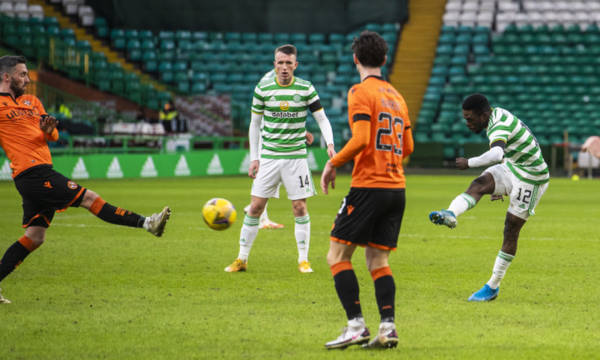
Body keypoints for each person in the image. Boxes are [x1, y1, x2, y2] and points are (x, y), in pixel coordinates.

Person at [0, 55, 171, 304]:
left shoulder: (32, 102)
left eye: (27, 74)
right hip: (32, 174)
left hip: (40, 171)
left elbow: (53, 135)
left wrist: (49, 130)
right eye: (22, 74)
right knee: (89, 198)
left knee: (36, 236)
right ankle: (147, 223)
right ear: (6, 77)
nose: (27, 79)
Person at [321, 31, 413, 349]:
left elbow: (361, 139)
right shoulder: (397, 96)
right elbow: (409, 146)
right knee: (377, 260)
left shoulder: (361, 92)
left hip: (369, 186)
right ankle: (387, 328)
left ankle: (355, 325)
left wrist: (333, 163)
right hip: (396, 187)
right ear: (385, 60)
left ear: (355, 58)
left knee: (337, 255)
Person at [225, 44, 336, 274]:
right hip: (269, 158)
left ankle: (303, 260)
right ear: (274, 64)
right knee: (255, 207)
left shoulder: (306, 88)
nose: (284, 67)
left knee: (299, 207)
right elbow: (254, 124)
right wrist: (254, 158)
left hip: (296, 158)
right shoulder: (263, 89)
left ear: (295, 65)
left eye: (288, 63)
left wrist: (330, 144)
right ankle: (241, 259)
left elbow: (322, 119)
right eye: (280, 63)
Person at [429, 93, 549, 302]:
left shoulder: (498, 125)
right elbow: (504, 156)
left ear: (483, 114)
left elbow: (496, 155)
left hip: (532, 177)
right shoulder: (495, 117)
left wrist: (468, 163)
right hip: (513, 167)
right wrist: (503, 185)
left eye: (470, 118)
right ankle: (450, 213)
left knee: (511, 229)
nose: (467, 123)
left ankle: (492, 287)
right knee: (480, 184)